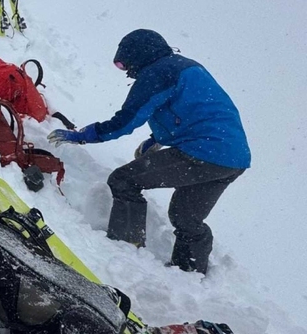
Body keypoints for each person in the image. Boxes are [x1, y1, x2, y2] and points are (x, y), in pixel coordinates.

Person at [47, 29, 250, 274]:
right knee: (186, 218)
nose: (127, 71)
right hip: (232, 160)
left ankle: (126, 247)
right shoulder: (183, 66)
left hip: (201, 153)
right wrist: (157, 139)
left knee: (124, 181)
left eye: (124, 63)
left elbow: (127, 119)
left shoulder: (158, 73)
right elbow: (196, 112)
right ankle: (191, 273)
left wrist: (84, 136)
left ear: (138, 55)